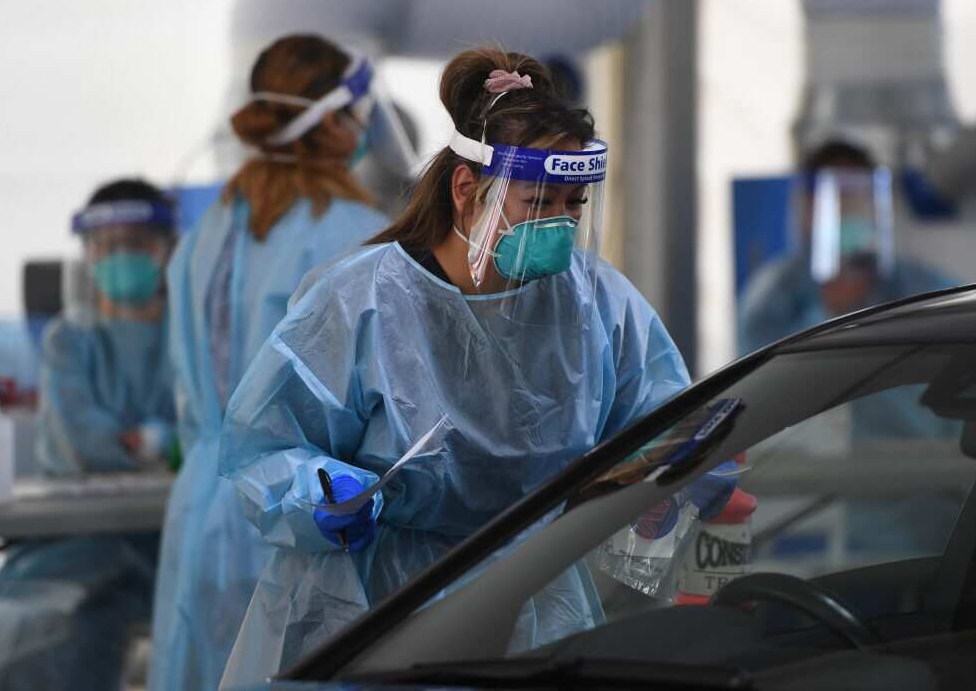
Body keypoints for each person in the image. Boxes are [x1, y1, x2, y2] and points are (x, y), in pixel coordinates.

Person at [215, 47, 692, 685]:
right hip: (379, 608)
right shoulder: (362, 299)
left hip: (535, 607)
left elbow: (665, 417)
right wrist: (319, 492)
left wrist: (682, 472)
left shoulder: (595, 301)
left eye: (574, 206)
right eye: (539, 201)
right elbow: (264, 446)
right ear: (468, 190)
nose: (560, 224)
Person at [148, 34, 391, 691]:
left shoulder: (209, 231)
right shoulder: (353, 235)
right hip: (295, 516)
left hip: (199, 511)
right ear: (333, 120)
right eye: (359, 107)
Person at [0, 179, 178, 691]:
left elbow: (212, 432)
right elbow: (83, 444)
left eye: (136, 244)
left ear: (167, 248)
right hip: (77, 541)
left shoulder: (191, 336)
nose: (120, 258)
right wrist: (162, 443)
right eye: (106, 247)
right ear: (86, 254)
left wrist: (146, 442)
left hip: (175, 539)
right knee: (40, 622)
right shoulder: (68, 340)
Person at [738, 140, 957, 355]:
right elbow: (759, 373)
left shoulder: (911, 280)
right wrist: (830, 311)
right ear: (806, 207)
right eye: (840, 195)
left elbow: (965, 323)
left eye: (861, 194)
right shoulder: (775, 293)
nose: (851, 207)